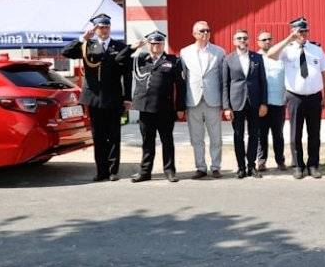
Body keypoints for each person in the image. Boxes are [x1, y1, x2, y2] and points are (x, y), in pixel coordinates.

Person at [61, 13, 131, 182]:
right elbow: (66, 52)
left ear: (110, 28)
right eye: (101, 27)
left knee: (114, 135)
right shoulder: (87, 45)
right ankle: (102, 171)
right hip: (93, 98)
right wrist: (82, 38)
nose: (104, 30)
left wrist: (127, 97)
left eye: (106, 27)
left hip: (114, 97)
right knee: (99, 137)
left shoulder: (120, 46)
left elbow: (127, 75)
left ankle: (113, 171)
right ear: (95, 29)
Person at [115, 31, 185, 183]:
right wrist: (133, 47)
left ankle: (170, 171)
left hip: (165, 108)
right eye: (152, 43)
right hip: (145, 108)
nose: (155, 46)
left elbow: (180, 86)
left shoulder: (172, 60)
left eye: (158, 43)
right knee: (147, 142)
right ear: (148, 45)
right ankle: (145, 172)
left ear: (163, 44)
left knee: (167, 141)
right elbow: (118, 59)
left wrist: (180, 107)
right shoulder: (140, 60)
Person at [268, 17, 325, 180]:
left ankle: (313, 165)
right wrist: (290, 38)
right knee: (295, 133)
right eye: (299, 31)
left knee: (314, 133)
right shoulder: (287, 49)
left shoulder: (316, 49)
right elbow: (270, 54)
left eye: (305, 31)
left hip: (314, 97)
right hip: (295, 97)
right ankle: (298, 165)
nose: (303, 34)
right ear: (293, 31)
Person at [179, 21, 225, 179]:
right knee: (196, 137)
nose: (205, 33)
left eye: (208, 30)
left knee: (216, 136)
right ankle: (200, 167)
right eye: (201, 31)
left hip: (213, 99)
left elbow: (222, 79)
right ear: (194, 34)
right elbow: (183, 79)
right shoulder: (185, 52)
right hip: (193, 100)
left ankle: (216, 167)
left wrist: (224, 103)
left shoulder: (219, 52)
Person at [223, 30, 268, 179]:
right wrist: (226, 107)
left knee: (254, 135)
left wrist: (263, 103)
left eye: (245, 38)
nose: (242, 40)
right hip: (236, 104)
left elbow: (263, 82)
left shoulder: (258, 58)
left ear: (249, 41)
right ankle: (241, 167)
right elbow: (225, 84)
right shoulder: (228, 59)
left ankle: (251, 166)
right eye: (239, 38)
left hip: (255, 103)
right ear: (234, 41)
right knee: (238, 136)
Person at [255, 31, 287, 172]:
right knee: (262, 134)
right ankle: (261, 161)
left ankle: (280, 161)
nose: (267, 41)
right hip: (262, 103)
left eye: (269, 39)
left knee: (278, 134)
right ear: (258, 42)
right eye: (264, 39)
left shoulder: (281, 57)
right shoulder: (255, 58)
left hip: (279, 102)